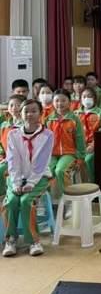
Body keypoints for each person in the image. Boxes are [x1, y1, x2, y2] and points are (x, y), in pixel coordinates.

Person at [2, 99, 54, 257]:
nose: (29, 114)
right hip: (16, 176)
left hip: (40, 177)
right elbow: (13, 160)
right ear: (21, 113)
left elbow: (41, 162)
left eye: (34, 111)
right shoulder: (13, 134)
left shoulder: (47, 135)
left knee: (26, 201)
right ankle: (11, 240)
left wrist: (31, 182)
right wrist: (16, 182)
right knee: (12, 201)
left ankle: (33, 241)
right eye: (26, 111)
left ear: (41, 113)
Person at [45, 89, 86, 198]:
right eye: (57, 100)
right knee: (45, 172)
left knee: (60, 171)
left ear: (69, 102)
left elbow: (80, 140)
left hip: (69, 153)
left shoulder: (74, 120)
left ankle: (69, 200)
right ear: (53, 102)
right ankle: (46, 201)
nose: (60, 103)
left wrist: (80, 158)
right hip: (52, 154)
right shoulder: (48, 120)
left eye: (63, 100)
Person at [75, 87, 101, 182]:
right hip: (79, 147)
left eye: (89, 96)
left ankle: (92, 183)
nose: (87, 98)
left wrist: (93, 146)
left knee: (87, 160)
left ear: (95, 98)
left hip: (95, 147)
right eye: (84, 96)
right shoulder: (76, 114)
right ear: (80, 99)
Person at [0, 95, 25, 197]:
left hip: (20, 160)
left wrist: (8, 158)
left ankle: (3, 196)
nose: (14, 108)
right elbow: (1, 144)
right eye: (11, 105)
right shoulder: (4, 125)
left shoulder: (26, 125)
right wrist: (2, 156)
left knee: (1, 170)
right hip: (5, 157)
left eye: (18, 105)